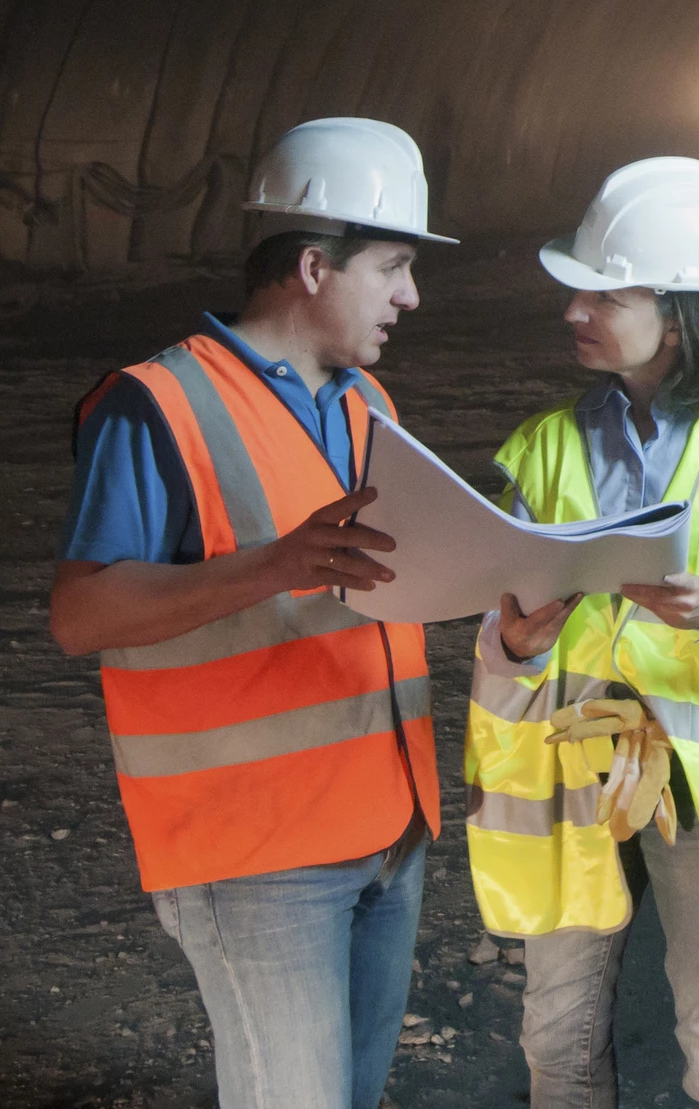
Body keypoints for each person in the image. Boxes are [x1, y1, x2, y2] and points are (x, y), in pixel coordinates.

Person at [46, 117, 457, 1109]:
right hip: (258, 855)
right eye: (393, 266)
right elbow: (82, 613)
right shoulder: (157, 404)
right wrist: (272, 564)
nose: (410, 294)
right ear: (314, 266)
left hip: (386, 825)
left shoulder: (370, 404)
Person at [466, 157, 699, 1109]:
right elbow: (499, 634)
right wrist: (518, 647)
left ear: (680, 312)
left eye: (599, 293)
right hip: (567, 773)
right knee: (557, 1046)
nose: (572, 312)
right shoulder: (542, 445)